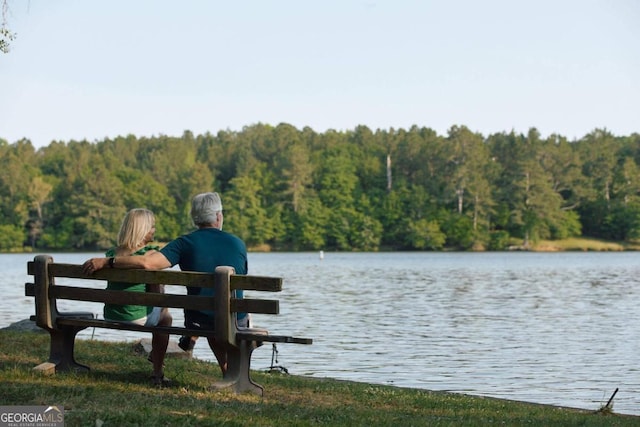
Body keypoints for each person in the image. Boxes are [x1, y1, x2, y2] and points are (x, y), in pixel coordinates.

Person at [82, 192, 248, 377]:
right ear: (219, 216)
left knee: (207, 318)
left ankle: (223, 367)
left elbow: (148, 263)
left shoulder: (184, 243)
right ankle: (232, 372)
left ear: (195, 218)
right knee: (230, 313)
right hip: (236, 319)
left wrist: (108, 262)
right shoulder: (238, 243)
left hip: (198, 319)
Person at [103, 208, 173, 387]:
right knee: (166, 318)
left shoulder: (111, 254)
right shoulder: (150, 254)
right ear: (142, 230)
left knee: (160, 312)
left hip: (111, 315)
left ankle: (156, 357)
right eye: (152, 227)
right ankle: (158, 372)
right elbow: (156, 295)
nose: (154, 230)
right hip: (136, 317)